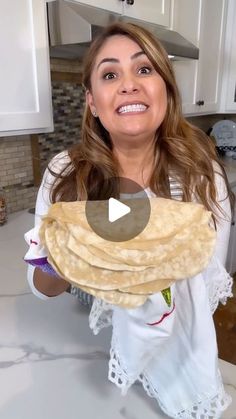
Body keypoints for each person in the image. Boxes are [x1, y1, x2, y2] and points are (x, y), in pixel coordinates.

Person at [24, 22, 235, 418]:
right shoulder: (67, 173)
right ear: (91, 100)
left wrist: (150, 304)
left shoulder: (201, 174)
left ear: (166, 89)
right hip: (89, 350)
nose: (128, 84)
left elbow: (204, 284)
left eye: (144, 69)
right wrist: (66, 245)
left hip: (178, 351)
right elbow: (41, 288)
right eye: (109, 74)